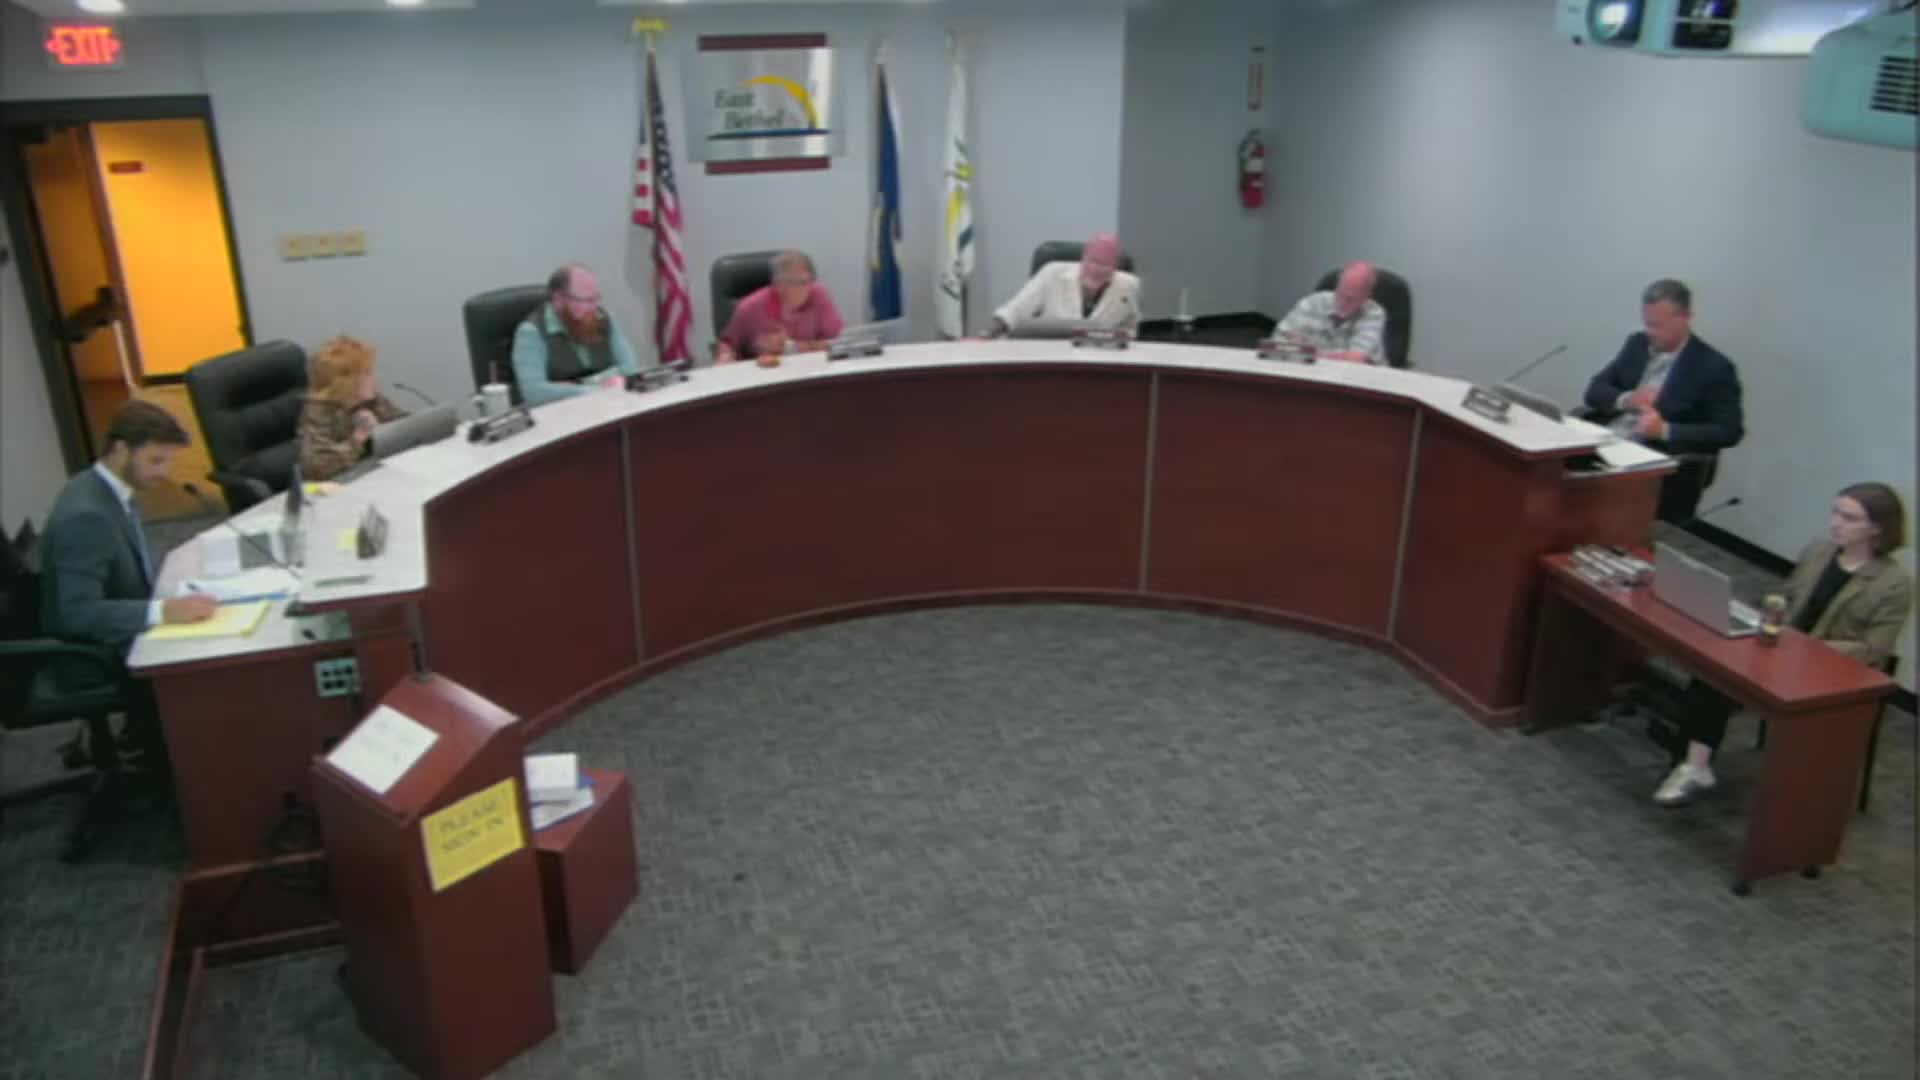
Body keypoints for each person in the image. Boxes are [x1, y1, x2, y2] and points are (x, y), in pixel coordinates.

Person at [1654, 483, 1913, 806]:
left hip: (1827, 671)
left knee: (1728, 683)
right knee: (1713, 673)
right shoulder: (1819, 551)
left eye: (1849, 518)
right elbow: (1787, 595)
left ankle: (1709, 767)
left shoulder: (1895, 584)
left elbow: (1874, 649)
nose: (1836, 523)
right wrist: (1767, 610)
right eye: (1835, 513)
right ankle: (1695, 765)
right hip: (1780, 647)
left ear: (1877, 528)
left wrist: (1803, 647)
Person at [40, 401, 218, 768]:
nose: (164, 473)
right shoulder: (87, 515)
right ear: (121, 450)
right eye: (155, 461)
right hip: (90, 656)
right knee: (210, 665)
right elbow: (75, 613)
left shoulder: (103, 489)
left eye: (168, 461)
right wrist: (162, 611)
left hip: (113, 627)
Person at [1581, 279, 1744, 522]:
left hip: (1656, 460)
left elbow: (1729, 431)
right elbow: (1594, 390)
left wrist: (1665, 430)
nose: (1650, 332)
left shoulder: (1713, 367)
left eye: (1657, 325)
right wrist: (1627, 399)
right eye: (1647, 323)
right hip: (1607, 442)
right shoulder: (1637, 344)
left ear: (1685, 318)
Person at [511, 263, 643, 405]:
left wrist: (571, 386)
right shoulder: (531, 332)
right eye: (586, 300)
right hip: (563, 412)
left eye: (596, 298)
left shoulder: (602, 318)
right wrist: (594, 388)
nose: (594, 307)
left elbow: (631, 369)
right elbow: (534, 392)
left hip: (611, 404)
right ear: (558, 299)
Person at [986, 233, 1140, 337]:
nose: (1096, 270)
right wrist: (989, 333)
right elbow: (1014, 311)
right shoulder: (1052, 273)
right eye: (1094, 261)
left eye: (1105, 264)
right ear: (1083, 258)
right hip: (1054, 358)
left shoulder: (1129, 286)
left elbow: (1134, 329)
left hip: (1101, 362)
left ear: (1116, 267)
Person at [298, 335, 407, 482]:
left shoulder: (371, 400)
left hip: (372, 475)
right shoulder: (317, 412)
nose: (374, 378)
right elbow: (317, 468)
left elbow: (403, 425)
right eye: (367, 373)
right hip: (335, 487)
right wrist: (359, 437)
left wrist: (383, 429)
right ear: (346, 382)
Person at [716, 251, 845, 364]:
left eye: (809, 281)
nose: (808, 287)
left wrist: (791, 348)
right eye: (799, 282)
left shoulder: (818, 294)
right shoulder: (750, 307)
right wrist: (725, 357)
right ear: (778, 284)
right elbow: (728, 344)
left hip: (811, 372)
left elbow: (840, 342)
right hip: (765, 375)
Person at [1269, 261, 1387, 365]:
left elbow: (1355, 361)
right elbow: (1275, 345)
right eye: (1341, 293)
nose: (1343, 302)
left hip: (1358, 379)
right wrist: (1292, 345)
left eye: (1351, 299)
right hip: (1313, 374)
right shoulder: (1312, 302)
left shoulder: (1374, 313)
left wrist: (1307, 352)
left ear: (1367, 297)